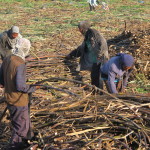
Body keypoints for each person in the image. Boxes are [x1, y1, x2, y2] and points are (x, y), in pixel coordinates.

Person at [0, 38, 39, 150]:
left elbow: (1, 79)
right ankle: (13, 146)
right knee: (21, 128)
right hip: (18, 100)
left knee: (22, 124)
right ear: (25, 49)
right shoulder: (20, 64)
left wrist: (7, 84)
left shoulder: (8, 59)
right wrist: (33, 88)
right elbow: (21, 86)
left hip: (9, 97)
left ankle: (28, 141)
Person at [66, 21, 109, 89]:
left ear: (82, 29)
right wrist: (71, 55)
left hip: (101, 58)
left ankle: (109, 93)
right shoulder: (88, 35)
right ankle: (98, 92)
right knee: (95, 77)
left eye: (79, 29)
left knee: (101, 77)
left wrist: (100, 55)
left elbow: (103, 42)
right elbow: (82, 48)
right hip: (96, 59)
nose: (79, 30)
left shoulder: (94, 34)